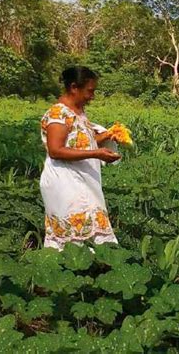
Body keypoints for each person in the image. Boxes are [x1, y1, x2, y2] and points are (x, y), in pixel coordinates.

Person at [39, 66, 121, 251]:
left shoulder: (78, 112)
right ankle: (68, 270)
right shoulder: (58, 114)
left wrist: (107, 136)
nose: (92, 96)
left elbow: (83, 142)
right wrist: (96, 154)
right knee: (71, 233)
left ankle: (91, 268)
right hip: (65, 183)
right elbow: (55, 150)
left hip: (82, 180)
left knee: (90, 224)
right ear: (74, 87)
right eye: (90, 91)